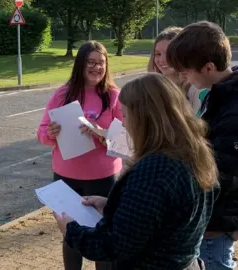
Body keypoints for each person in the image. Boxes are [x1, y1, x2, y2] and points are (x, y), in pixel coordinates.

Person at [54, 72, 218, 269]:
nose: (123, 123)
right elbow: (163, 215)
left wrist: (70, 230)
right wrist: (113, 206)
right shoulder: (194, 151)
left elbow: (115, 245)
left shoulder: (155, 169)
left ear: (145, 118)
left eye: (125, 114)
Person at [37, 41, 123, 270]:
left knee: (103, 235)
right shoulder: (62, 95)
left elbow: (128, 140)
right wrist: (51, 132)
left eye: (101, 63)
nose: (96, 68)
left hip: (104, 178)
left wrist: (101, 133)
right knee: (71, 235)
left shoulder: (114, 96)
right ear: (80, 65)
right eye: (91, 62)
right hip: (67, 178)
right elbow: (42, 133)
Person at [166, 20, 238, 270]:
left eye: (185, 71)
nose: (182, 77)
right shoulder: (219, 95)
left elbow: (223, 171)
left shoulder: (232, 107)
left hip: (214, 222)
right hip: (213, 217)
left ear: (208, 67)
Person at [147, 26, 207, 114]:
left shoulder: (197, 88)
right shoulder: (152, 86)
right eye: (158, 54)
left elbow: (197, 125)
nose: (162, 60)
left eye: (169, 53)